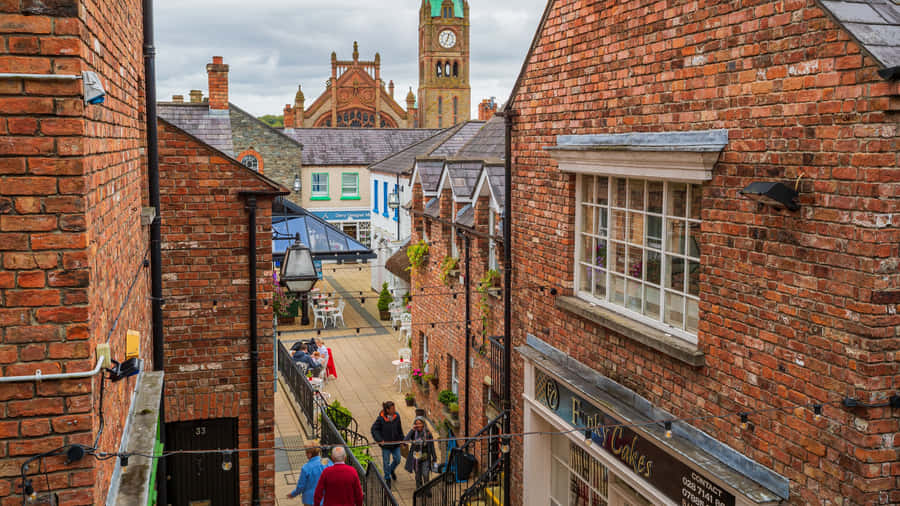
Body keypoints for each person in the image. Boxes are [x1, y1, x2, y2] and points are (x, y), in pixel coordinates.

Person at [370, 401, 404, 488]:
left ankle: (391, 469)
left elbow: (399, 429)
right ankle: (387, 477)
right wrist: (379, 439)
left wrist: (402, 440)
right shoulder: (381, 419)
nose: (395, 410)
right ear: (387, 410)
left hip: (395, 443)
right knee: (386, 462)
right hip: (386, 445)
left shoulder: (397, 416)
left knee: (398, 459)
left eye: (394, 408)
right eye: (392, 408)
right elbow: (374, 429)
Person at [404, 416, 436, 489]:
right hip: (416, 457)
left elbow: (432, 446)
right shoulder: (413, 433)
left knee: (425, 474)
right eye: (416, 423)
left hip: (425, 457)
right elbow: (405, 441)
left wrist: (434, 457)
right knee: (418, 476)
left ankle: (427, 489)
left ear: (423, 424)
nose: (418, 425)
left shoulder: (428, 433)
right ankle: (419, 488)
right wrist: (412, 430)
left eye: (420, 423)